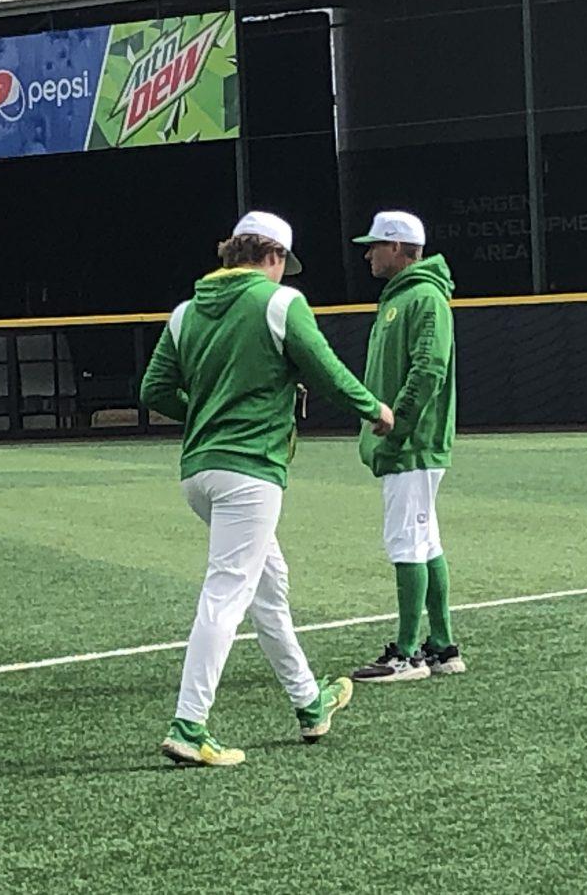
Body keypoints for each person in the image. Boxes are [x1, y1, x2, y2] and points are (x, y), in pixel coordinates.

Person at [140, 210, 395, 766]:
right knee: (227, 594)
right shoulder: (280, 303)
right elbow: (326, 370)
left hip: (200, 473)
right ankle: (188, 725)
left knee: (268, 587)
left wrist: (203, 415)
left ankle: (309, 703)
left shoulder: (186, 312)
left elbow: (155, 388)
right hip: (249, 473)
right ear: (273, 257)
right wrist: (372, 409)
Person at [349, 211, 465, 684]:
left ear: (397, 247)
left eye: (376, 244)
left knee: (408, 543)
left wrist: (398, 425)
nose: (368, 253)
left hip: (412, 445)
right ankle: (441, 646)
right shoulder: (407, 296)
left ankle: (409, 654)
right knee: (426, 542)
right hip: (409, 444)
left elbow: (428, 370)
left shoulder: (423, 297)